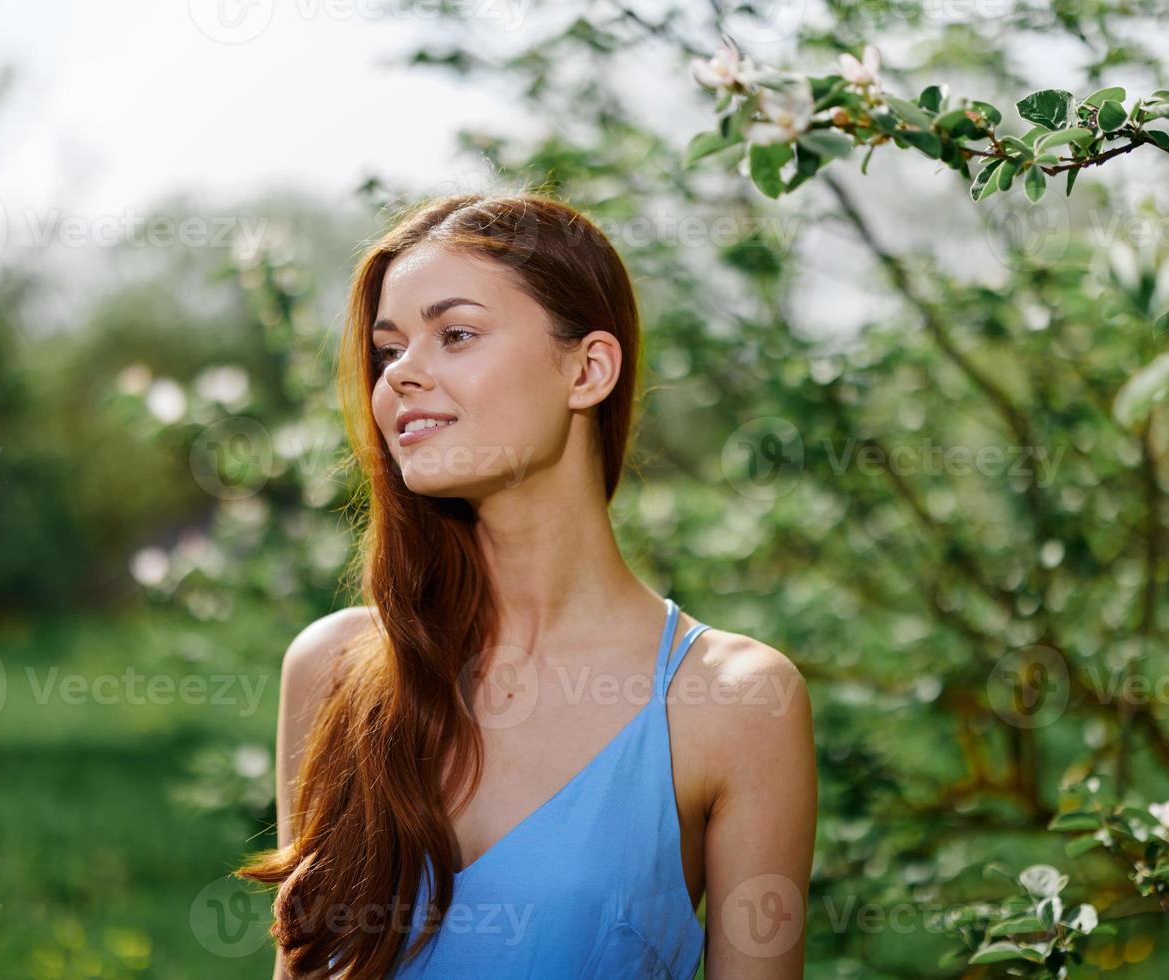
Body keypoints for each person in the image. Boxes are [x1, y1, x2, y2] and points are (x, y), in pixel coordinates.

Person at [236, 190, 817, 978]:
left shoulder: (734, 701)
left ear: (587, 369)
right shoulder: (333, 669)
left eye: (456, 334)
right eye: (388, 350)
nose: (402, 375)